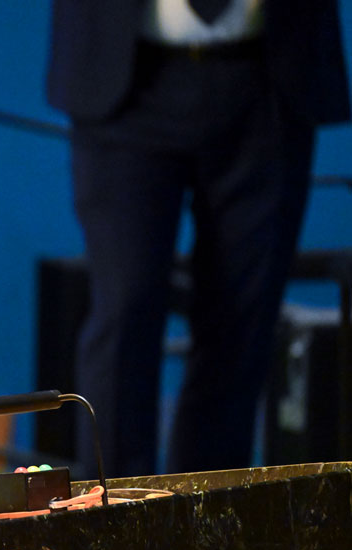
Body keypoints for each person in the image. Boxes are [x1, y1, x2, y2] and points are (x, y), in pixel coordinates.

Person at [47, 0, 350, 477]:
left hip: (271, 76)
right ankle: (114, 531)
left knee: (242, 327)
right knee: (126, 310)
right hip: (123, 79)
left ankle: (205, 533)